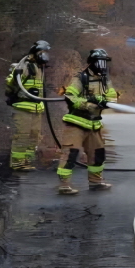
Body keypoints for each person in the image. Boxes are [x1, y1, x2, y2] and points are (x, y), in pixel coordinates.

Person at [57, 48, 119, 195]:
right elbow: (70, 96)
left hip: (94, 125)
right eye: (100, 62)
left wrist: (106, 102)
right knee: (70, 154)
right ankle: (64, 185)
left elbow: (112, 96)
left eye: (104, 62)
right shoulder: (81, 78)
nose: (102, 66)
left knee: (98, 154)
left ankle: (96, 182)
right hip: (77, 122)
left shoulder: (105, 80)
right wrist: (88, 104)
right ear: (92, 62)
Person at [5, 40, 50, 171]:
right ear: (36, 53)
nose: (45, 55)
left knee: (34, 136)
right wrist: (13, 93)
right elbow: (11, 83)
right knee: (22, 136)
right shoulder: (25, 66)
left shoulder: (39, 67)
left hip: (36, 107)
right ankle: (17, 163)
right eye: (42, 52)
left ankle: (28, 161)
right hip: (23, 107)